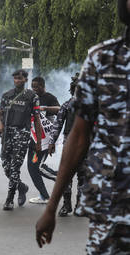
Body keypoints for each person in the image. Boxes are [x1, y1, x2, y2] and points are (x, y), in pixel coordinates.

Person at [36, 1, 130, 255]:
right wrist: (50, 207)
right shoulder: (102, 60)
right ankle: (70, 204)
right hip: (112, 205)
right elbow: (77, 135)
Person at [0, 69, 42, 211]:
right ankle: (21, 187)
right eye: (15, 78)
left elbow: (37, 120)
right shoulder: (6, 95)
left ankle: (10, 198)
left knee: (15, 166)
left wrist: (39, 142)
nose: (17, 80)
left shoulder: (32, 96)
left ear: (25, 80)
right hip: (7, 134)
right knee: (6, 166)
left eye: (20, 78)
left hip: (22, 133)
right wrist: (0, 124)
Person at [48, 73, 86, 217]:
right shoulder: (66, 105)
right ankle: (66, 205)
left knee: (83, 176)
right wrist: (52, 142)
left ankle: (80, 206)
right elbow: (57, 124)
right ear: (73, 89)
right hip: (69, 144)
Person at [27, 77, 60, 204]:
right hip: (33, 139)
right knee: (32, 168)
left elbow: (59, 110)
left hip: (45, 140)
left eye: (36, 86)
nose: (34, 89)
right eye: (32, 86)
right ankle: (44, 196)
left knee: (37, 167)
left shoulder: (49, 97)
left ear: (42, 86)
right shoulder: (31, 98)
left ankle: (59, 178)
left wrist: (43, 108)